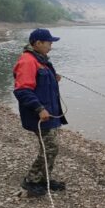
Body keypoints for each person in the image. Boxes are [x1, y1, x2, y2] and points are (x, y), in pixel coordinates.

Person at [13, 28, 68, 197]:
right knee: (51, 147)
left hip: (49, 114)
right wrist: (40, 109)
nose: (51, 46)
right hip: (40, 115)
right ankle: (31, 181)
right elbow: (22, 90)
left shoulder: (40, 60)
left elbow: (39, 80)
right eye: (49, 42)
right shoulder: (28, 61)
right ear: (37, 43)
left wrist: (53, 76)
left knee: (50, 147)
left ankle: (45, 180)